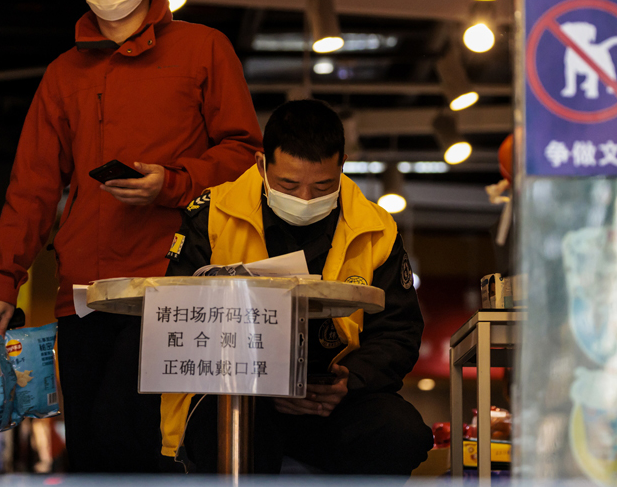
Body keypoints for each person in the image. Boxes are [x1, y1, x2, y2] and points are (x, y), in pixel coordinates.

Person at [0, 0, 262, 473]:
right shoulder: (63, 74)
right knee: (90, 455)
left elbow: (242, 154)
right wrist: (3, 280)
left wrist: (172, 183)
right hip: (84, 292)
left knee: (143, 446)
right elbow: (33, 185)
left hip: (175, 286)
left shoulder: (204, 49)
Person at [160, 100, 432, 475]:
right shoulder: (212, 215)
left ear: (342, 165)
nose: (305, 199)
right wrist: (262, 384)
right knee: (229, 429)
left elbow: (399, 330)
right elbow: (174, 323)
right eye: (288, 185)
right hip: (235, 394)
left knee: (402, 433)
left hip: (333, 398)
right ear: (261, 165)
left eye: (322, 186)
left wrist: (350, 380)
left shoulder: (376, 228)